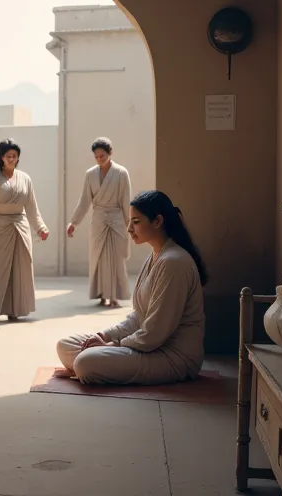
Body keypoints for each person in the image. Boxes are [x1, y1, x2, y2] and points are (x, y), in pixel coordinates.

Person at [54, 190, 208, 385]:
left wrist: (113, 344)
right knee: (65, 345)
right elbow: (139, 316)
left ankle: (83, 368)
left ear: (158, 221)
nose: (128, 228)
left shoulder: (174, 262)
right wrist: (104, 335)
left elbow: (155, 333)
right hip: (149, 347)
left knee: (86, 362)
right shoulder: (156, 256)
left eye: (135, 222)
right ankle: (87, 365)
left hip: (171, 356)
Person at [0, 139, 49, 321]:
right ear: (1, 157)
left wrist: (40, 228)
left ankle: (15, 309)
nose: (12, 159)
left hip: (20, 227)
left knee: (20, 269)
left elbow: (32, 207)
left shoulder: (25, 178)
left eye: (14, 156)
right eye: (8, 156)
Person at [67, 137, 132, 308]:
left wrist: (130, 224)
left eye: (103, 156)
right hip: (98, 220)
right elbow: (84, 201)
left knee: (116, 258)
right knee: (98, 258)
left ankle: (115, 296)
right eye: (96, 156)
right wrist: (74, 222)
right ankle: (102, 295)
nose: (100, 159)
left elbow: (126, 201)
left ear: (110, 153)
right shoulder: (90, 174)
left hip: (117, 219)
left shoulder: (121, 173)